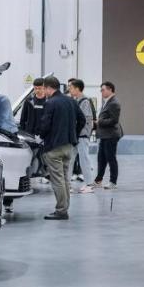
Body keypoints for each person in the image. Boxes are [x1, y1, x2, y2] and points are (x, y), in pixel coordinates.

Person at [38, 76, 81, 220]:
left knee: (57, 180)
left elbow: (45, 125)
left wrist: (41, 136)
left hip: (54, 147)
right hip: (68, 146)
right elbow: (82, 120)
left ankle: (61, 211)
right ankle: (64, 208)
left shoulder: (50, 103)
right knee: (65, 179)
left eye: (44, 89)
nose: (44, 92)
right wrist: (73, 135)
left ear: (48, 88)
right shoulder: (71, 101)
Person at [68, 78, 97, 194]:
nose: (69, 89)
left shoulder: (84, 101)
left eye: (71, 87)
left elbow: (86, 120)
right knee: (70, 159)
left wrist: (80, 132)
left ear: (77, 88)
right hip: (76, 135)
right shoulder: (76, 100)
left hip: (82, 135)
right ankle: (67, 184)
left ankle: (89, 184)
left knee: (84, 159)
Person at [94, 81, 123, 189]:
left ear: (110, 89)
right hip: (105, 135)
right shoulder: (107, 102)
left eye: (103, 90)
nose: (101, 92)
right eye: (101, 90)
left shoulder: (114, 103)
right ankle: (98, 180)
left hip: (111, 135)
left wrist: (99, 122)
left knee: (111, 158)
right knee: (101, 158)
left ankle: (113, 182)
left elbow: (114, 120)